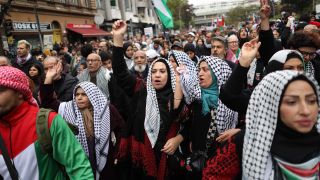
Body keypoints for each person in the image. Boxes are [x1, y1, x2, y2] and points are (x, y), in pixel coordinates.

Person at [203, 70, 320, 179]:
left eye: (311, 101)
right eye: (291, 102)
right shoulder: (248, 142)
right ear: (271, 105)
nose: (306, 111)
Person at [112, 20, 187, 179]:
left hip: (169, 156)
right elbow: (120, 73)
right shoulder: (141, 89)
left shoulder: (180, 95)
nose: (157, 75)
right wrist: (118, 39)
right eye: (154, 72)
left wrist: (178, 139)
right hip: (143, 155)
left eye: (162, 71)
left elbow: (190, 124)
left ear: (170, 75)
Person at [0, 66, 93, 179]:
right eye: (77, 95)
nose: (79, 98)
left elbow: (78, 167)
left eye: (1, 91)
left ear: (19, 93)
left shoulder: (47, 122)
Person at [40, 79, 124, 180]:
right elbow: (48, 102)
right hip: (79, 161)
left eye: (84, 95)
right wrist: (48, 79)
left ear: (93, 96)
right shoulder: (68, 109)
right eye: (77, 94)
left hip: (104, 162)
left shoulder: (106, 110)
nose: (79, 98)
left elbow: (122, 131)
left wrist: (117, 154)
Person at [183, 56, 238, 179]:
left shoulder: (232, 101)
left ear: (217, 73)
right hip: (199, 158)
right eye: (199, 70)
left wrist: (237, 131)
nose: (200, 73)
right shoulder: (197, 98)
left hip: (222, 157)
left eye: (205, 69)